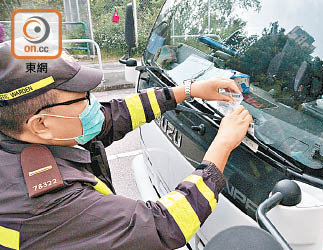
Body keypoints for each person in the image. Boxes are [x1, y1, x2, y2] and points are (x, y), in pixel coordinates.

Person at [0, 41, 252, 249]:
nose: (94, 104)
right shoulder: (45, 203)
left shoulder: (22, 132)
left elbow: (114, 116)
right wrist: (222, 146)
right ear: (41, 124)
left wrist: (188, 90)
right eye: (83, 98)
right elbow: (163, 225)